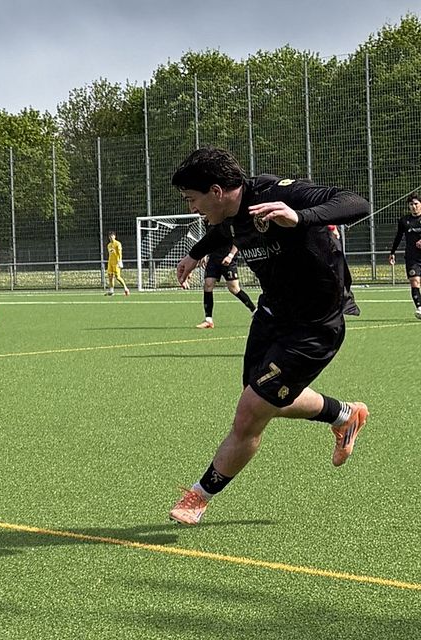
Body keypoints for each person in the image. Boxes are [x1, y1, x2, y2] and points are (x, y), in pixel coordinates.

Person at [168, 146, 370, 526]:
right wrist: (195, 254)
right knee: (262, 398)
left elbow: (356, 202)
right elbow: (223, 230)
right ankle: (344, 415)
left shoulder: (277, 193)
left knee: (249, 413)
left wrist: (300, 217)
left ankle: (200, 494)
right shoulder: (227, 212)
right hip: (273, 315)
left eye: (191, 199)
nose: (192, 208)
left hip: (316, 325)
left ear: (215, 191)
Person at [195, 241, 256, 329]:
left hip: (228, 258)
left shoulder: (229, 227)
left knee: (234, 288)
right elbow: (209, 238)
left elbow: (237, 240)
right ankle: (208, 320)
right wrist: (204, 253)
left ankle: (255, 311)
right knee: (208, 285)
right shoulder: (210, 226)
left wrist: (230, 255)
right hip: (213, 259)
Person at [387, 193, 421, 320]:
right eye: (411, 204)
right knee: (415, 282)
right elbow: (398, 237)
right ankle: (419, 308)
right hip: (412, 257)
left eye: (416, 204)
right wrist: (392, 252)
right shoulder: (404, 221)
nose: (414, 207)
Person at [105, 230, 130, 296]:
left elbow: (119, 253)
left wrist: (120, 261)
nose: (110, 237)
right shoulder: (109, 245)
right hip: (110, 262)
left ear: (114, 236)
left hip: (116, 262)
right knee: (110, 276)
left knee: (117, 277)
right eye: (109, 236)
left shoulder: (117, 244)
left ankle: (126, 289)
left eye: (112, 236)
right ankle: (111, 290)